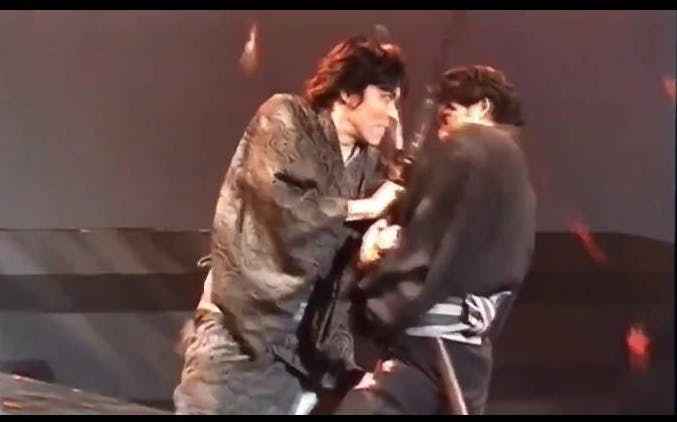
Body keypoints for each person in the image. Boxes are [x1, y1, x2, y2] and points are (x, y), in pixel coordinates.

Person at [172, 35, 408, 415]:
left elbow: (353, 264)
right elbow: (278, 205)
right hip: (237, 333)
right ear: (349, 92)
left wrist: (373, 249)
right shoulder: (285, 117)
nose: (392, 114)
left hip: (303, 354)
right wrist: (364, 208)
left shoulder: (372, 168)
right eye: (385, 97)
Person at [334, 64, 536, 414]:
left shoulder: (470, 147)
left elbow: (423, 248)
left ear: (482, 107)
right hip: (471, 356)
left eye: (448, 115)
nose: (442, 133)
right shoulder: (517, 173)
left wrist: (372, 263)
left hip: (429, 351)